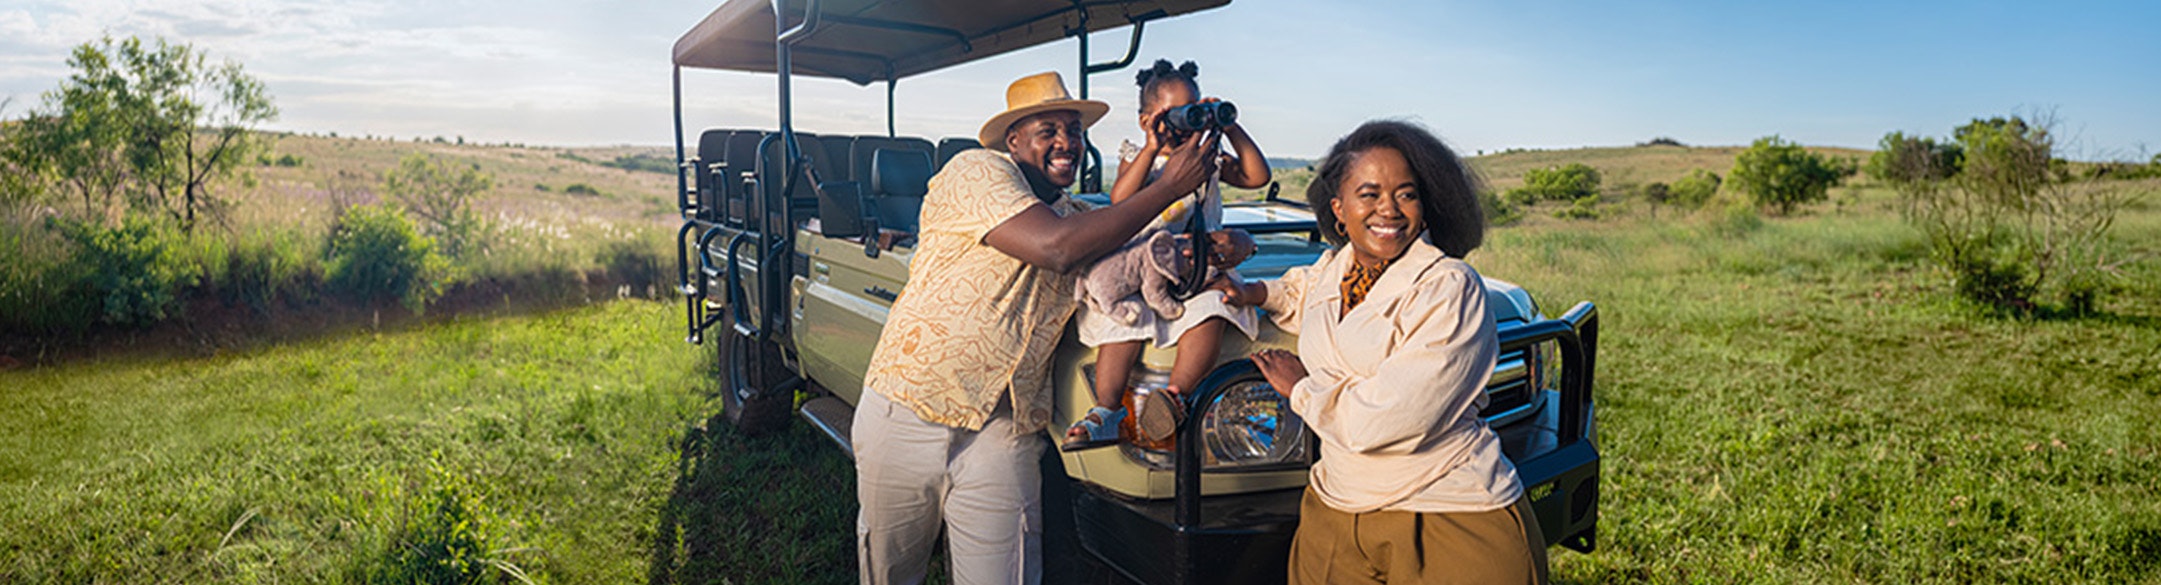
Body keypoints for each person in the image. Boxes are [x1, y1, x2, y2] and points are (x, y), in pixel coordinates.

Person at [851, 71, 1221, 585]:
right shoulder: (976, 171)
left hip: (1007, 426)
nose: (1067, 142)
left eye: (1075, 131)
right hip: (912, 407)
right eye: (1048, 130)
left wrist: (1217, 249)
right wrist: (1168, 186)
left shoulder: (1075, 213)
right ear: (1014, 140)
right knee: (891, 571)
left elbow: (1134, 246)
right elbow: (1056, 247)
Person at [1221, 120, 1551, 584]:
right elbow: (1307, 294)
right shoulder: (1336, 268)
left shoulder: (1449, 287)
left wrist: (1301, 390)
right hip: (1335, 504)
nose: (1389, 210)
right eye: (1369, 194)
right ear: (1339, 209)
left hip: (1445, 507)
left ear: (1426, 205)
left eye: (1406, 194)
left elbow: (1388, 419)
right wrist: (1254, 292)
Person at [1065, 59, 1270, 449]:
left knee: (1213, 311)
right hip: (1141, 268)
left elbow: (1256, 176)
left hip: (1194, 269)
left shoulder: (1208, 158)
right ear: (1147, 119)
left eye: (1193, 112)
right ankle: (1106, 410)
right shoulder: (1141, 156)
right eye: (1175, 114)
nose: (1185, 124)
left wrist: (1227, 125)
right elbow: (1121, 197)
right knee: (1123, 322)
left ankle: (1174, 398)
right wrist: (1151, 147)